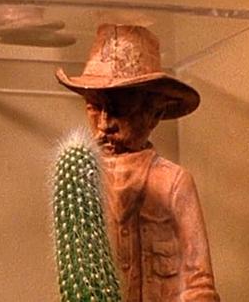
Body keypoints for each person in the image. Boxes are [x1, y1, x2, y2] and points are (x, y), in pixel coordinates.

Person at [56, 24, 221, 301]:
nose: (105, 124)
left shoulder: (172, 181)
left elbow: (198, 280)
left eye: (120, 108)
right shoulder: (78, 178)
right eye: (95, 107)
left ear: (154, 113)